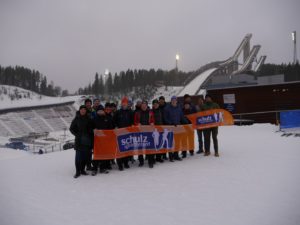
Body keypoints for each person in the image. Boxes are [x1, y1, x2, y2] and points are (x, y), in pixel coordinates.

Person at [69, 105, 94, 178]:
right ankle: (77, 171)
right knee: (78, 157)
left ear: (86, 111)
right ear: (79, 110)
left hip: (87, 141)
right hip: (79, 141)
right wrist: (77, 134)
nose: (83, 110)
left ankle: (82, 170)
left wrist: (90, 132)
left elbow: (91, 129)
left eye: (84, 109)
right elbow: (71, 128)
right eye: (81, 109)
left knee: (85, 157)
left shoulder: (89, 119)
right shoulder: (76, 119)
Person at [91, 103, 115, 176]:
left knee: (104, 154)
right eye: (99, 111)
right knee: (97, 154)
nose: (100, 112)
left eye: (102, 111)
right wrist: (93, 130)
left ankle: (102, 168)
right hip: (97, 141)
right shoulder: (94, 119)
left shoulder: (107, 118)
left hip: (105, 140)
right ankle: (95, 168)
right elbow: (90, 128)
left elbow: (110, 128)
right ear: (97, 112)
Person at [164, 96, 187, 162]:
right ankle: (171, 156)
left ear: (177, 101)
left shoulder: (179, 108)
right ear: (171, 101)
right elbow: (165, 118)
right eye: (172, 100)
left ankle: (176, 155)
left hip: (178, 127)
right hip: (170, 127)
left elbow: (182, 117)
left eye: (175, 100)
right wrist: (170, 123)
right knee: (170, 142)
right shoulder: (167, 108)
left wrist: (187, 123)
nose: (174, 101)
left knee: (177, 142)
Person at [114, 96, 134, 171]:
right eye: (123, 104)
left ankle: (125, 163)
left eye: (125, 104)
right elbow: (114, 121)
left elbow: (132, 121)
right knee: (119, 149)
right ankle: (120, 164)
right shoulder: (118, 112)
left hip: (127, 133)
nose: (124, 105)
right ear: (121, 104)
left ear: (127, 104)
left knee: (126, 148)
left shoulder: (130, 112)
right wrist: (115, 126)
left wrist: (132, 125)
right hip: (119, 134)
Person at [134, 100, 155, 168]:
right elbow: (135, 121)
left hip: (149, 132)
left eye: (145, 104)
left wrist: (152, 123)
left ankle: (150, 161)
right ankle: (141, 161)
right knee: (140, 147)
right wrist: (137, 124)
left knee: (149, 147)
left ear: (146, 105)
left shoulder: (150, 112)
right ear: (141, 106)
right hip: (140, 133)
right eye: (142, 105)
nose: (143, 106)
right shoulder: (137, 113)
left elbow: (153, 120)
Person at [158, 96, 168, 160]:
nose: (161, 101)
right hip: (158, 126)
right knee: (159, 141)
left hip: (165, 126)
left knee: (164, 141)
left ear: (164, 100)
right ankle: (159, 154)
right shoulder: (157, 107)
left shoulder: (167, 107)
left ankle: (164, 154)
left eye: (162, 100)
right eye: (160, 100)